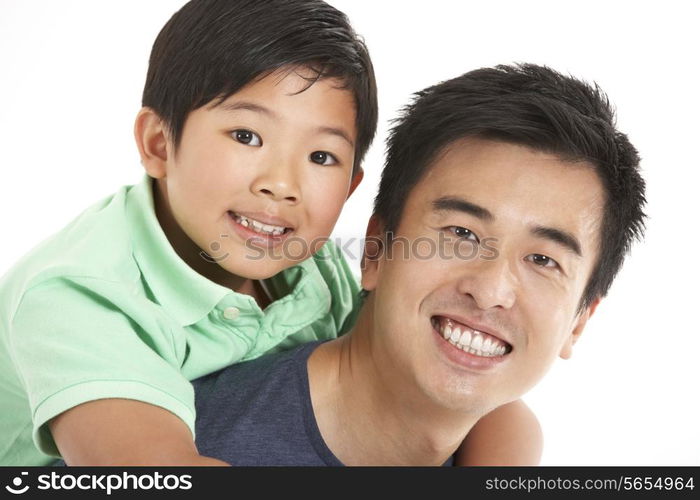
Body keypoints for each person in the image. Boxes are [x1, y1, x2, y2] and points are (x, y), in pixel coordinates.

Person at [0, 0, 535, 466]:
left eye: (321, 156)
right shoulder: (79, 295)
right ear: (160, 144)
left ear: (350, 187)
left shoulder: (309, 267)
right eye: (247, 135)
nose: (282, 184)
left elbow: (490, 401)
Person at [190, 63, 647, 465]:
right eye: (462, 233)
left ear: (579, 322)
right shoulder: (181, 445)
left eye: (543, 259)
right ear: (375, 251)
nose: (490, 291)